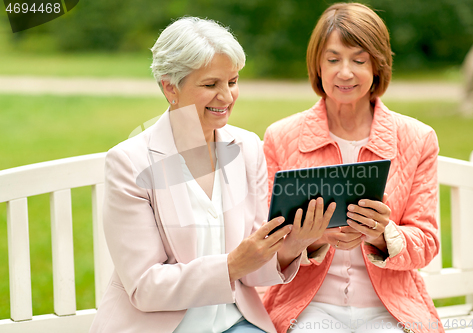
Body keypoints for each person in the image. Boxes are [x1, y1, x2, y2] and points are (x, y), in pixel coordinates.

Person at [89, 17, 334, 333]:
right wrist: (231, 266)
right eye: (210, 84)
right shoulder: (129, 162)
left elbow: (253, 269)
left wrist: (293, 245)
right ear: (169, 87)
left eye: (232, 82)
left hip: (235, 323)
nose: (226, 97)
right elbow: (145, 288)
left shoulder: (246, 147)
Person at [262, 3, 443, 333]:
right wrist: (313, 238)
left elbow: (427, 241)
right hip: (307, 306)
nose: (344, 72)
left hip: (391, 309)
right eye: (333, 59)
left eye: (359, 60)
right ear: (317, 65)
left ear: (378, 65)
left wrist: (381, 233)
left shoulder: (418, 138)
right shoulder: (280, 137)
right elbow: (264, 243)